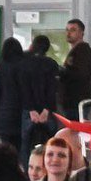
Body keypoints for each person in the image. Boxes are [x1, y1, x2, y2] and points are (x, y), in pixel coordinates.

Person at [19, 35, 59, 163]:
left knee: (25, 144)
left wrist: (31, 109)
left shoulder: (24, 64)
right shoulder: (52, 64)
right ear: (47, 48)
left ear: (33, 45)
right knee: (52, 145)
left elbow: (24, 89)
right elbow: (52, 88)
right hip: (47, 111)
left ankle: (28, 172)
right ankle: (48, 170)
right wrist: (46, 110)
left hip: (29, 111)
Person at [0, 37, 26, 148]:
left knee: (6, 147)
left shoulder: (1, 66)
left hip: (4, 113)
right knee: (22, 146)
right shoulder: (25, 65)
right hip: (22, 112)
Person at [59, 18, 91, 119]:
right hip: (73, 102)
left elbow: (81, 74)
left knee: (77, 133)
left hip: (78, 102)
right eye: (67, 30)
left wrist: (62, 72)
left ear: (81, 33)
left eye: (73, 30)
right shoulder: (75, 51)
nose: (68, 33)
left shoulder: (83, 50)